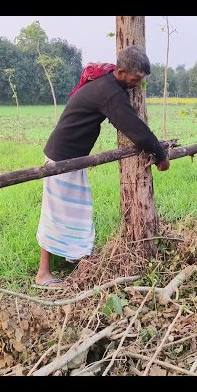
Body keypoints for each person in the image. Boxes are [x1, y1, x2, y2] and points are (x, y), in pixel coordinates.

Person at [34, 45, 170, 289]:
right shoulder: (109, 92)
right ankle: (43, 274)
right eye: (135, 79)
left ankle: (79, 259)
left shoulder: (108, 83)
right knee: (55, 214)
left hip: (72, 159)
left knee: (77, 211)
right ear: (120, 71)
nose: (137, 84)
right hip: (61, 160)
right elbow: (135, 129)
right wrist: (160, 154)